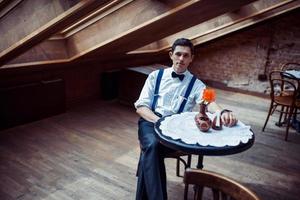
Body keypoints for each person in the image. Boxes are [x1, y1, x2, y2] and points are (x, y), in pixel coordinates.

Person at [134, 38, 237, 200]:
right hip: (150, 122)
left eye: (186, 55)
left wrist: (222, 112)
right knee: (153, 145)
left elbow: (209, 102)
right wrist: (158, 121)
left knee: (151, 151)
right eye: (178, 54)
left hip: (175, 130)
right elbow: (141, 107)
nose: (181, 59)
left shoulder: (196, 84)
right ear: (171, 55)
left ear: (191, 58)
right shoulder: (155, 76)